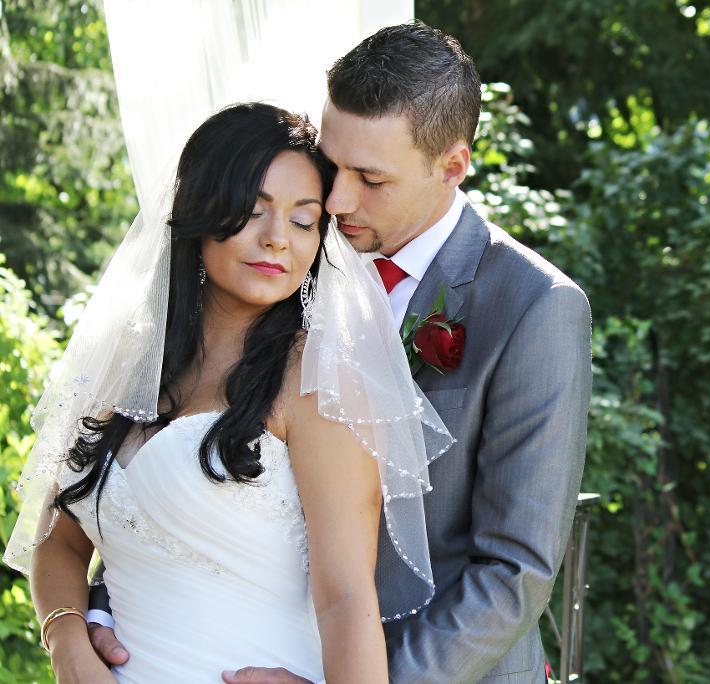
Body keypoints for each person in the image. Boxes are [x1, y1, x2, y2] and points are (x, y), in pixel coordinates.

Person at [5, 101, 450, 682]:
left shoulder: (316, 380)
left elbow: (346, 600)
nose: (276, 240)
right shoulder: (132, 358)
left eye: (302, 219)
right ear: (202, 208)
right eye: (253, 211)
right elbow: (57, 538)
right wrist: (65, 638)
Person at [209, 22, 591, 684]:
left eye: (370, 178)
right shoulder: (285, 256)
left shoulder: (535, 308)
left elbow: (514, 573)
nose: (335, 199)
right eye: (332, 165)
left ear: (452, 166)